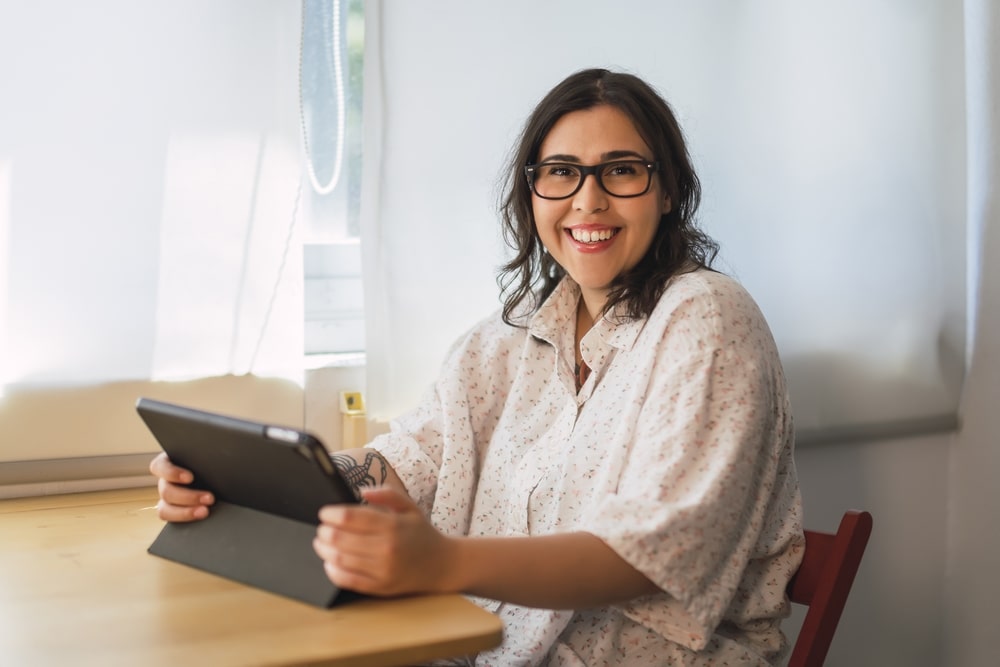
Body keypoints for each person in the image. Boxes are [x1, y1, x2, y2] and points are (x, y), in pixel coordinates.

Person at [151, 68, 804, 665]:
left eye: (622, 170)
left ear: (666, 191)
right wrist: (246, 484)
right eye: (561, 172)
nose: (588, 200)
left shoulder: (708, 319)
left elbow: (652, 549)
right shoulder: (508, 339)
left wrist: (443, 562)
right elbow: (414, 460)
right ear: (532, 194)